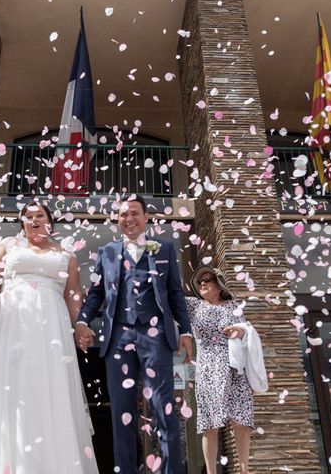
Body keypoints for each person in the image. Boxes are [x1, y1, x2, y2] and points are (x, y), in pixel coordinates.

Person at [0, 202, 98, 474]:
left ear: (50, 222)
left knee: (48, 386)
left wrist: (81, 325)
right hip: (10, 323)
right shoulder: (8, 246)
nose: (33, 220)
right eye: (28, 216)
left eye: (39, 215)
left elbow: (74, 296)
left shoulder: (66, 256)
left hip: (51, 327)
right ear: (22, 222)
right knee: (8, 386)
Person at [75, 194, 193, 474]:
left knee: (164, 408)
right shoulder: (107, 251)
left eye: (135, 213)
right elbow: (96, 293)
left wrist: (185, 330)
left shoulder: (163, 249)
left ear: (146, 218)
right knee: (121, 412)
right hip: (118, 337)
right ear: (118, 219)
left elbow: (175, 293)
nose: (129, 219)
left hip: (156, 338)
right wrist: (82, 322)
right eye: (124, 214)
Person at [186, 266, 254, 474]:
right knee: (209, 424)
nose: (203, 283)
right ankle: (211, 472)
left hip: (235, 368)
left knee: (241, 420)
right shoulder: (193, 306)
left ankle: (244, 470)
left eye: (208, 279)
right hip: (208, 368)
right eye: (200, 281)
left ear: (219, 283)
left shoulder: (232, 305)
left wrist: (240, 330)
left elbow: (248, 330)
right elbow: (169, 297)